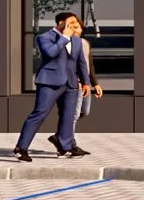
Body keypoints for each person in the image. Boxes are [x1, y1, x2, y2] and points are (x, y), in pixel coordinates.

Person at [13, 12, 99, 162]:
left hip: (71, 84)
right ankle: (21, 148)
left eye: (75, 23)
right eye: (71, 23)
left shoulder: (77, 41)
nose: (74, 26)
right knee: (39, 114)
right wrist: (64, 37)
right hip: (49, 82)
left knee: (68, 116)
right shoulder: (44, 37)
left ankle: (64, 147)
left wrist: (86, 83)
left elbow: (81, 63)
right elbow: (50, 53)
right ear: (61, 23)